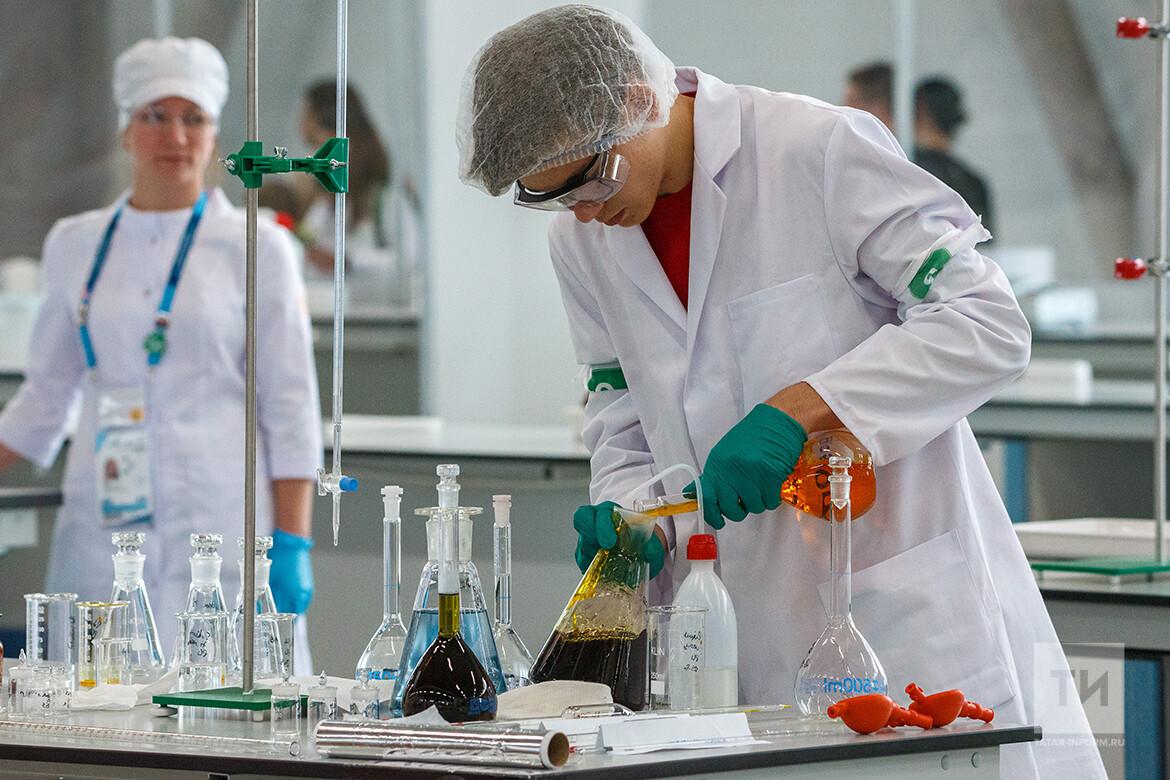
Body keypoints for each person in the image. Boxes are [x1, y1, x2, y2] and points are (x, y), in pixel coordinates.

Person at [457, 7, 1102, 778]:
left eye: (592, 179)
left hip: (893, 619)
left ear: (636, 98)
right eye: (557, 198)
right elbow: (620, 410)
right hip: (728, 638)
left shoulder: (817, 150)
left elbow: (988, 322)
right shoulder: (583, 240)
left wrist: (798, 411)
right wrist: (633, 521)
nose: (587, 210)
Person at [0, 37, 323, 663]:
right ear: (126, 129)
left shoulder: (258, 247)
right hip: (103, 536)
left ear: (214, 132)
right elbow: (45, 398)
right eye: (155, 115)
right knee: (97, 705)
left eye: (193, 117)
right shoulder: (75, 244)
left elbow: (290, 408)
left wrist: (293, 542)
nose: (175, 136)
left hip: (225, 532)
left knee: (227, 703)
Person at [296, 81, 421, 307]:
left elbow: (409, 258)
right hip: (333, 308)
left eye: (327, 149)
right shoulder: (327, 197)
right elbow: (310, 247)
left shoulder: (386, 198)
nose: (320, 160)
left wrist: (348, 261)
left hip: (378, 313)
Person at [843, 62, 994, 234]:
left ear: (879, 108)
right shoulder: (969, 180)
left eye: (850, 104)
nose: (843, 115)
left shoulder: (903, 173)